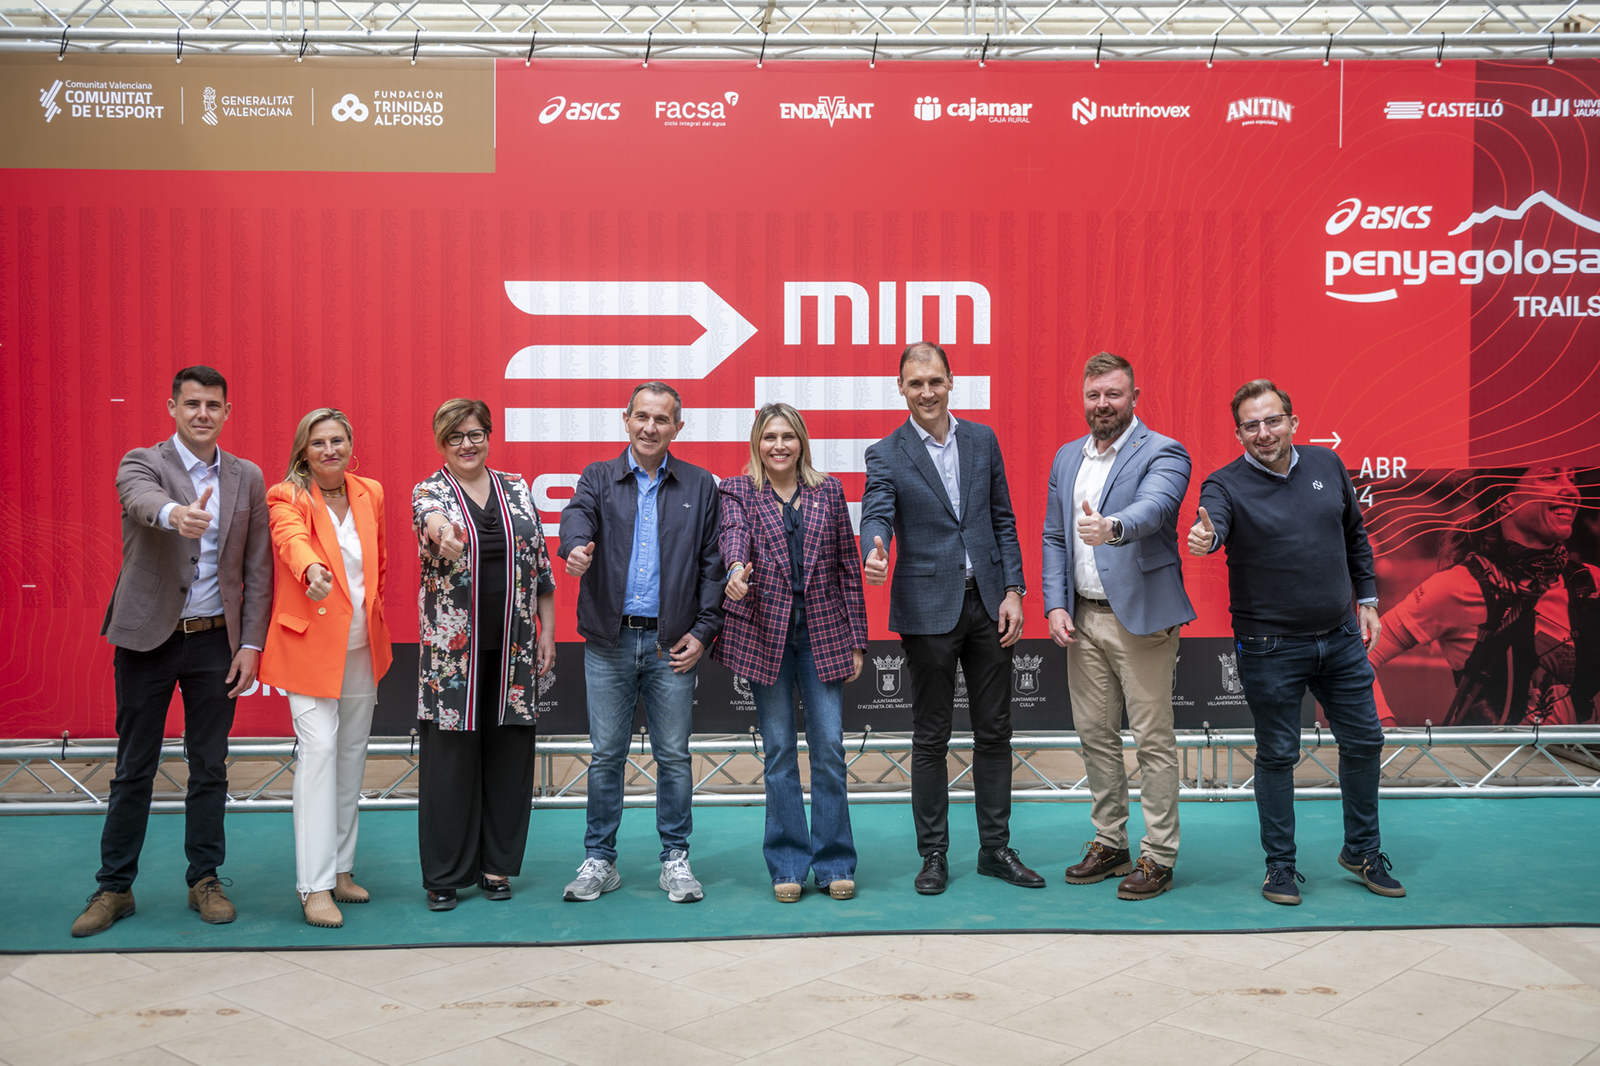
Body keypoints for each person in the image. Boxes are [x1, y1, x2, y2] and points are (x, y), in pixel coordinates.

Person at [72, 366, 272, 937]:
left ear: (227, 412)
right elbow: (142, 502)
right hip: (147, 640)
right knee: (134, 767)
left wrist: (250, 644)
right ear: (172, 408)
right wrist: (176, 515)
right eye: (192, 404)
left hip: (215, 643)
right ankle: (114, 887)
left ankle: (204, 879)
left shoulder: (247, 477)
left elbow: (258, 569)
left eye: (213, 405)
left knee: (209, 766)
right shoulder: (142, 462)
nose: (202, 414)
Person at [1189, 378, 1404, 906]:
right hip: (1269, 647)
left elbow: (1354, 533)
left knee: (1365, 742)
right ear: (1238, 433)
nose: (1263, 433)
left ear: (1293, 422)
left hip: (1341, 638)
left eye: (1272, 421)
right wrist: (1206, 538)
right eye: (1251, 426)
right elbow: (1213, 527)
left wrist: (1368, 598)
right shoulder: (1223, 485)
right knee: (1278, 754)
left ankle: (1362, 851)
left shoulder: (1327, 464)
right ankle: (1280, 867)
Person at [860, 342, 1042, 895]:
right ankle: (933, 854)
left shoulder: (982, 440)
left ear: (951, 381)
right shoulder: (885, 452)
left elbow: (1003, 519)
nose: (927, 392)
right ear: (901, 388)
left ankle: (995, 850)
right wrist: (874, 549)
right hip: (926, 608)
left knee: (995, 732)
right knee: (931, 737)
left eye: (935, 381)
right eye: (915, 383)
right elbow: (876, 512)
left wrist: (1014, 590)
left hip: (989, 604)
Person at [558, 381, 723, 904]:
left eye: (662, 419)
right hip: (609, 641)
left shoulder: (701, 485)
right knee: (607, 755)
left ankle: (675, 859)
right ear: (625, 419)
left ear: (678, 427)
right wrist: (574, 547)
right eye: (642, 417)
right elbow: (576, 516)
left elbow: (713, 564)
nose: (650, 427)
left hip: (671, 645)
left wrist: (703, 631)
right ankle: (600, 860)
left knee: (673, 756)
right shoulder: (598, 477)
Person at [1041, 352, 1194, 901]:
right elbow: (1055, 536)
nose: (1102, 404)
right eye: (1094, 395)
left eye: (1113, 394)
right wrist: (1055, 605)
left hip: (1143, 622)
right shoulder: (1067, 457)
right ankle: (1110, 843)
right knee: (1095, 737)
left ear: (1134, 398)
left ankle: (1159, 855)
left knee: (1153, 741)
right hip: (1082, 619)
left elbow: (1156, 507)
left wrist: (1114, 527)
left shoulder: (1164, 451)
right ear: (1083, 399)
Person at [715, 403, 870, 902]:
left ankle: (835, 862)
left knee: (829, 751)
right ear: (756, 443)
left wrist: (857, 640)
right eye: (769, 437)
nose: (778, 445)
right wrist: (735, 570)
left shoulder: (829, 491)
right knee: (779, 753)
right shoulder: (737, 490)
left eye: (787, 436)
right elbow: (733, 535)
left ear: (801, 441)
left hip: (824, 634)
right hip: (767, 637)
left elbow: (848, 567)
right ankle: (787, 864)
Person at [413, 399, 556, 911]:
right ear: (441, 443)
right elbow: (431, 523)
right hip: (454, 660)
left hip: (516, 650)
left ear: (489, 436)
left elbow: (540, 565)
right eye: (455, 437)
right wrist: (443, 534)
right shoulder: (430, 491)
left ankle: (497, 866)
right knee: (449, 766)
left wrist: (548, 629)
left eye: (475, 434)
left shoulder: (516, 487)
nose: (467, 445)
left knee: (510, 759)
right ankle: (444, 875)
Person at [257, 408, 392, 928]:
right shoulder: (286, 495)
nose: (329, 450)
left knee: (350, 759)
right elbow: (291, 540)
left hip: (361, 647)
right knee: (318, 755)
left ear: (350, 444)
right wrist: (311, 568)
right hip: (309, 649)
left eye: (337, 440)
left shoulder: (370, 492)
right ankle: (313, 887)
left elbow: (379, 564)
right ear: (303, 451)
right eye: (318, 443)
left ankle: (340, 869)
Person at [1371, 467, 1599, 726]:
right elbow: (1356, 655)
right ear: (1505, 499)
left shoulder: (1591, 583)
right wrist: (1385, 730)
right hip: (1491, 753)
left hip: (1581, 754)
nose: (1571, 489)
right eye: (1549, 477)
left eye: (1572, 478)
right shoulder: (1458, 585)